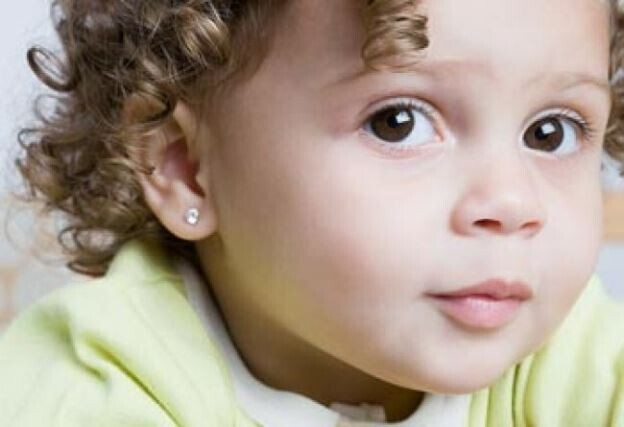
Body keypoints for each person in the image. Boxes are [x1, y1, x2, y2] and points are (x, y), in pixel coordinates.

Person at [1, 0, 623, 425]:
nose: (513, 204)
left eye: (551, 132)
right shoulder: (92, 383)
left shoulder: (569, 353)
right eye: (398, 122)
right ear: (186, 167)